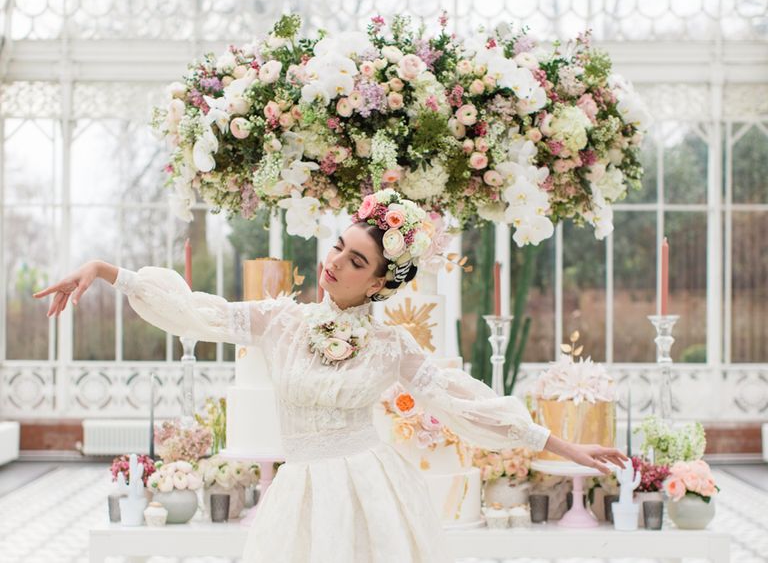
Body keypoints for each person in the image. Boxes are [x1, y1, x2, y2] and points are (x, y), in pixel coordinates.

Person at [35, 189, 629, 562]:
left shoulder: (393, 344)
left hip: (373, 489)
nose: (335, 261)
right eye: (339, 246)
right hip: (301, 493)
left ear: (379, 283)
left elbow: (461, 404)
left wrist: (561, 444)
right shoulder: (280, 321)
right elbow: (198, 310)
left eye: (356, 259)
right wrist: (105, 270)